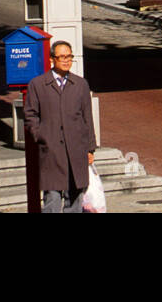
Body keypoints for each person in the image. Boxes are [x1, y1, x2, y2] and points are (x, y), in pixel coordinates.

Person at [23, 40, 96, 213]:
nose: (66, 60)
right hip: (51, 152)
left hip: (76, 150)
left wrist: (90, 148)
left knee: (75, 199)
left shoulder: (80, 84)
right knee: (52, 199)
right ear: (52, 60)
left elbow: (87, 118)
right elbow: (30, 115)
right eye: (61, 56)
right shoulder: (38, 84)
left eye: (69, 56)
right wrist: (41, 136)